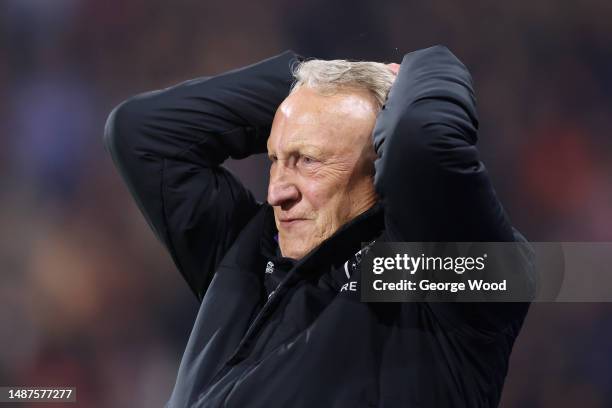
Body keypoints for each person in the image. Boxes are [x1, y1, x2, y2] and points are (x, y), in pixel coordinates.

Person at [104, 45, 532, 407]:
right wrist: (320, 86)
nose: (276, 193)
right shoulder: (248, 250)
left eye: (307, 160)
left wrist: (424, 66)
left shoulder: (445, 285)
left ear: (382, 164)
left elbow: (422, 142)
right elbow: (143, 133)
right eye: (274, 160)